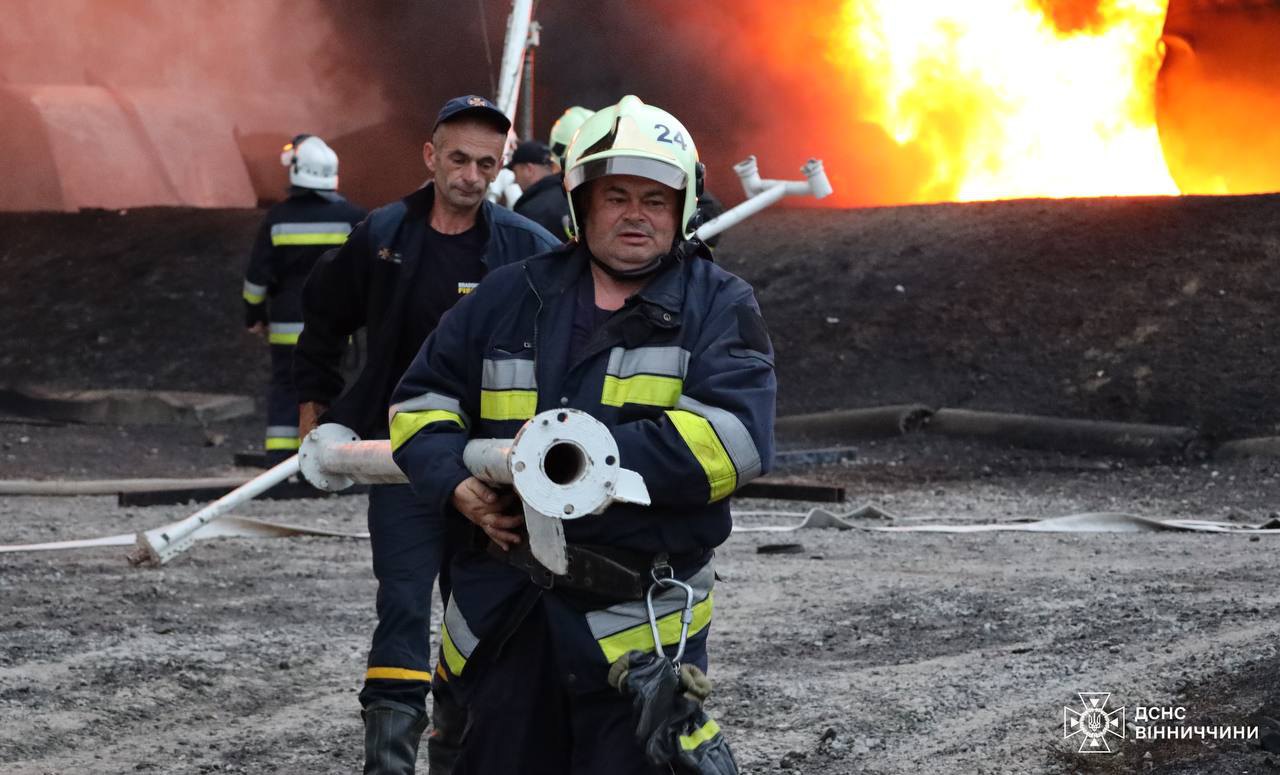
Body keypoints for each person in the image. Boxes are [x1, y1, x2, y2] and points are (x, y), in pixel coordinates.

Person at [389, 95, 775, 773]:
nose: (635, 214)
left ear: (682, 209)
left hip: (634, 633)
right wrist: (454, 482)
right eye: (616, 195)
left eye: (655, 200)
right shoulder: (508, 296)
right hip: (507, 619)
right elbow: (419, 401)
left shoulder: (719, 304)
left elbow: (736, 440)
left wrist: (590, 463)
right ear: (581, 204)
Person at [292, 95, 558, 775]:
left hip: (493, 463)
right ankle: (387, 763)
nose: (472, 176)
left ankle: (456, 759)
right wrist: (316, 405)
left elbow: (577, 324)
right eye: (460, 159)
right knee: (404, 605)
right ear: (430, 156)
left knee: (481, 613)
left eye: (487, 164)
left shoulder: (525, 249)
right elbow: (323, 311)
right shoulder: (382, 237)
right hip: (402, 458)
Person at [242, 134, 365, 463]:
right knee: (330, 385)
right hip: (335, 323)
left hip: (286, 323)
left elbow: (256, 278)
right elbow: (365, 272)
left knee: (286, 384)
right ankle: (328, 458)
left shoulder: (278, 217)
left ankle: (281, 462)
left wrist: (253, 315)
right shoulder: (353, 217)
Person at [508, 141, 567, 239]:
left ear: (529, 170)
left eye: (515, 172)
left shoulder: (529, 211)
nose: (515, 180)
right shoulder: (570, 194)